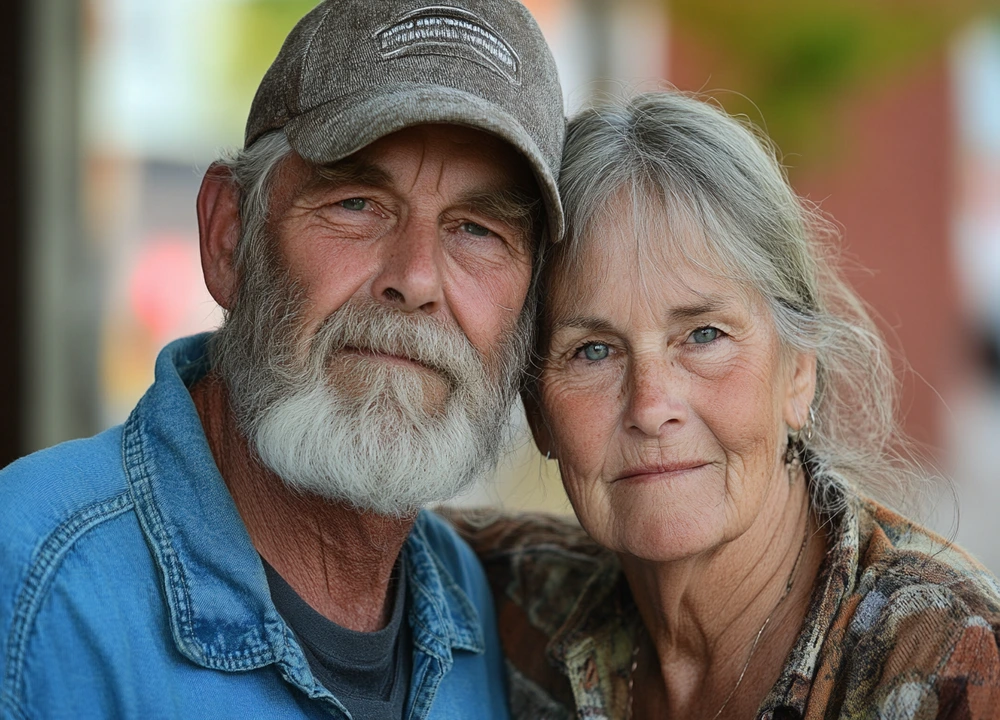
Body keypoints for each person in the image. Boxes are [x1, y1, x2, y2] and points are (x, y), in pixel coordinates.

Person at [0, 1, 565, 718]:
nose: (416, 278)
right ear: (229, 237)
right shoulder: (31, 586)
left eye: (479, 230)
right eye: (357, 203)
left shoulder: (475, 614)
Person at [450, 92, 1000, 720]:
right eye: (594, 351)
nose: (652, 407)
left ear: (798, 370)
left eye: (704, 335)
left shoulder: (948, 663)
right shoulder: (509, 603)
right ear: (538, 411)